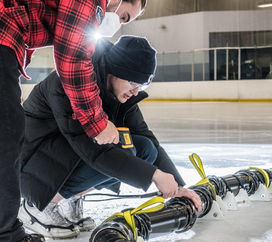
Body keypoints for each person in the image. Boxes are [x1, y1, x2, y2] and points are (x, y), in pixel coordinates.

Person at [18, 36, 202, 239]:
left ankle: (68, 198)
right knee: (123, 151)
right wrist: (155, 175)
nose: (135, 91)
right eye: (132, 82)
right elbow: (93, 151)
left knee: (144, 148)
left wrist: (177, 186)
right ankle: (37, 205)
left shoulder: (121, 93)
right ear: (114, 71)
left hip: (64, 156)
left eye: (142, 85)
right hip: (32, 162)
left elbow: (144, 135)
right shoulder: (72, 84)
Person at [0, 0, 147, 241]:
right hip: (3, 34)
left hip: (10, 38)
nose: (118, 24)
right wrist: (97, 123)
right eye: (124, 17)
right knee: (6, 133)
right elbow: (72, 57)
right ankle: (6, 235)